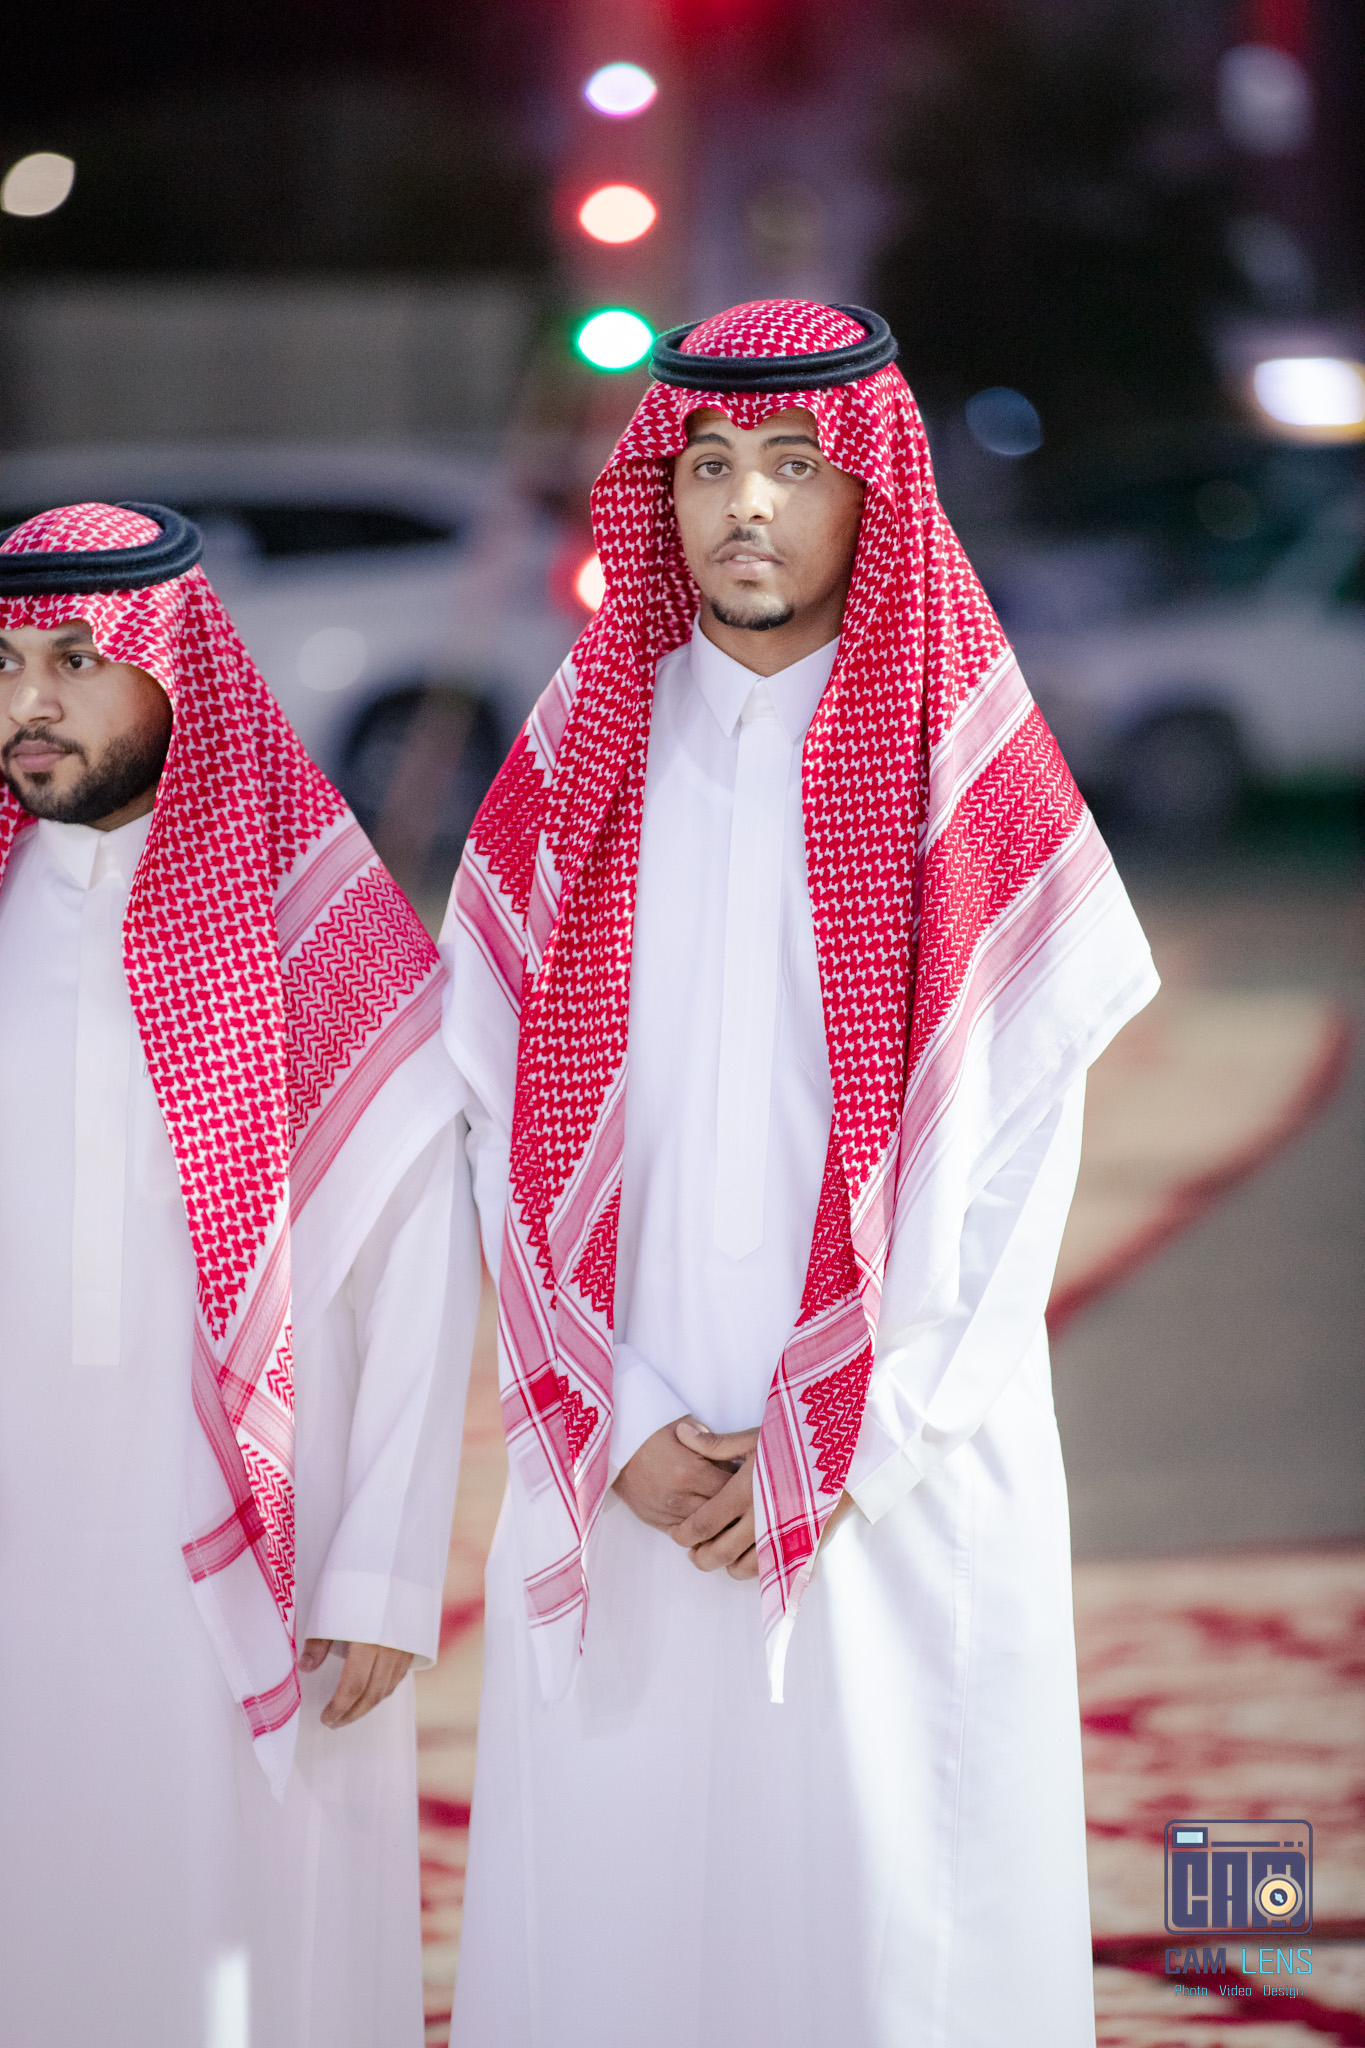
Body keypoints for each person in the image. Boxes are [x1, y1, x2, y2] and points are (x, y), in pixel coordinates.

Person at [442, 300, 1159, 2048]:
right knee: (620, 1917)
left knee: (883, 1913)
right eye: (704, 465)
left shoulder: (958, 767)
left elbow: (1019, 1153)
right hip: (620, 1450)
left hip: (894, 1466)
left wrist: (857, 1439)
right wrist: (614, 1420)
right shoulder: (576, 763)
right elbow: (485, 1121)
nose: (743, 504)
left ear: (871, 498)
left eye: (791, 464)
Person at [0, 501, 480, 2047]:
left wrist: (383, 1569)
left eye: (77, 660)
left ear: (181, 672)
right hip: (19, 1530)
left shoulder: (318, 935)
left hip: (256, 1537)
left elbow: (418, 1271)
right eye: (5, 665)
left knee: (252, 1934)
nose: (31, 704)